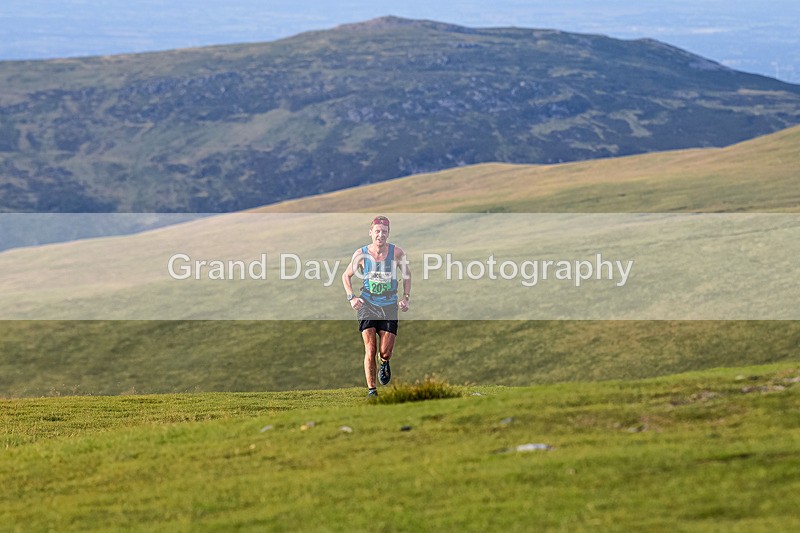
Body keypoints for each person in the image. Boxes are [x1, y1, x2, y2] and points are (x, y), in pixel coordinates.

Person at [341, 216, 411, 398]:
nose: (381, 235)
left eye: (384, 232)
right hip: (368, 304)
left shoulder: (397, 253)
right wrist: (352, 297)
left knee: (385, 352)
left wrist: (405, 298)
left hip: (389, 306)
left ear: (388, 234)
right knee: (370, 349)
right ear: (371, 232)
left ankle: (385, 362)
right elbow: (346, 276)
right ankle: (372, 390)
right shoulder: (361, 254)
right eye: (377, 231)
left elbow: (407, 275)